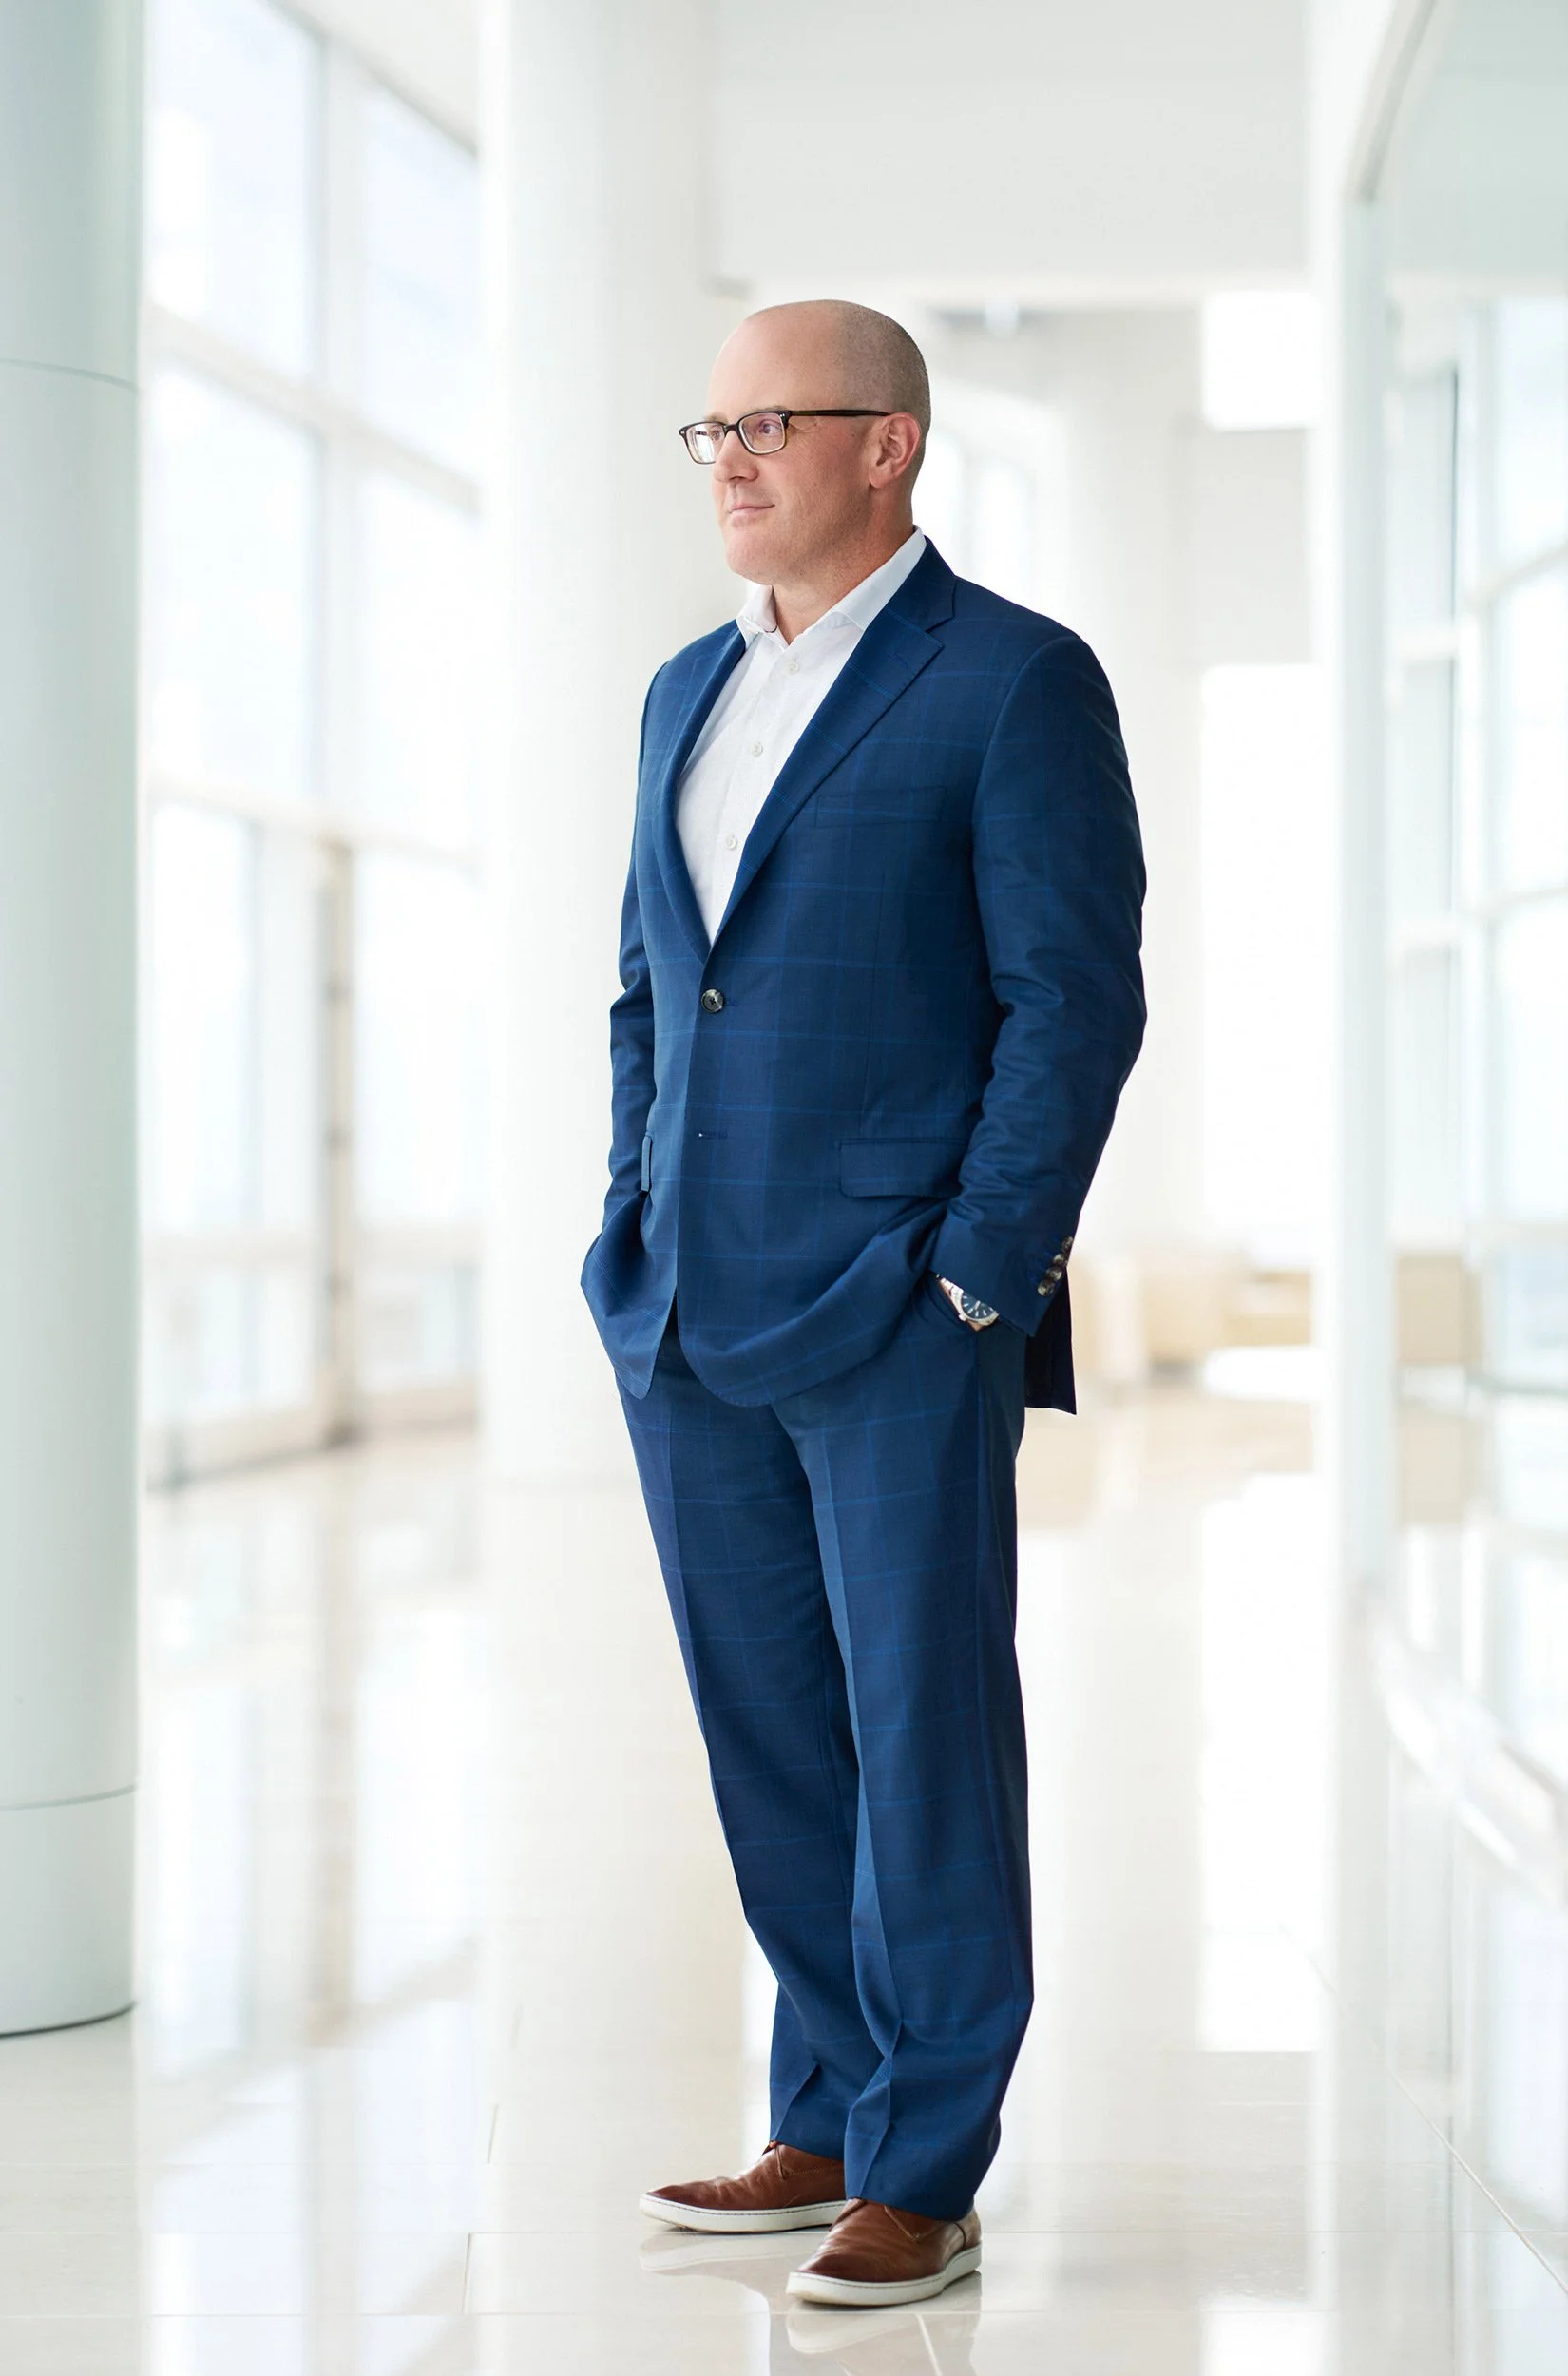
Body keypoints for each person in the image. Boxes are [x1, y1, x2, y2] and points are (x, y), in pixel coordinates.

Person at [581, 298, 1145, 2309]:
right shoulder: (681, 692)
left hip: (903, 1309)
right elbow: (655, 984)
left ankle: (927, 2160)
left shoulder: (1011, 682)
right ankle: (821, 2112)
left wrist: (978, 1277)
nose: (728, 457)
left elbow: (1072, 1004)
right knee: (776, 1742)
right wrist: (627, 1213)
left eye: (769, 423)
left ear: (888, 445)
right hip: (690, 1309)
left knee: (923, 1735)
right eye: (708, 424)